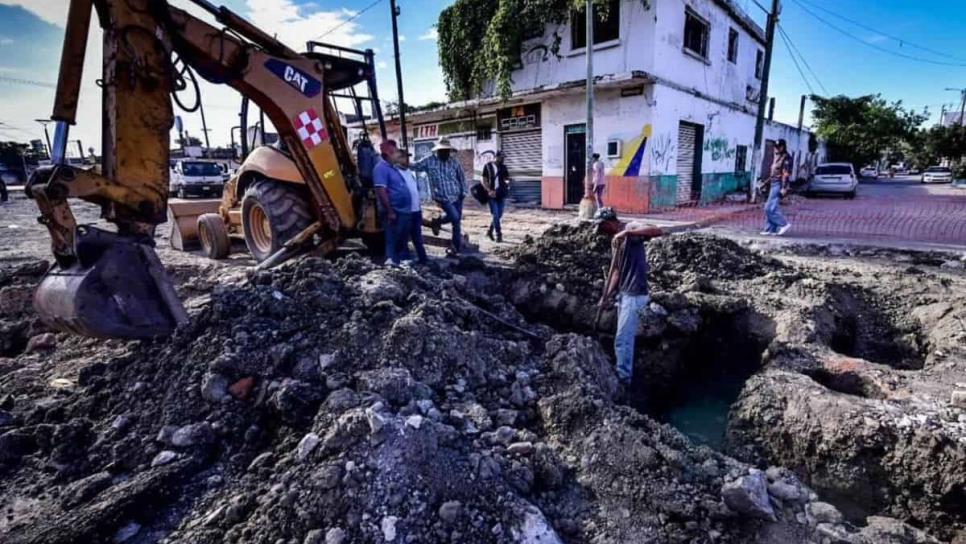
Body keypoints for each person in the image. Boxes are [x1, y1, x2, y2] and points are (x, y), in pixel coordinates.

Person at [599, 222, 666, 386]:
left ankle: (624, 379)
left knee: (623, 339)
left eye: (603, 227)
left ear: (610, 222)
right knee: (623, 337)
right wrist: (606, 296)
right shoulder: (615, 240)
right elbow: (616, 272)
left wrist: (627, 233)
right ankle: (623, 371)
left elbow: (658, 231)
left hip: (635, 294)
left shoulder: (632, 229)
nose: (602, 232)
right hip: (624, 293)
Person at [412, 137, 467, 256]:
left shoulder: (454, 162)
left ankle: (454, 248)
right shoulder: (429, 161)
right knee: (455, 217)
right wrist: (399, 163)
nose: (446, 153)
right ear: (437, 151)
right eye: (443, 151)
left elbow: (461, 177)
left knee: (456, 223)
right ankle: (437, 222)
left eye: (447, 151)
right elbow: (415, 166)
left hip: (457, 195)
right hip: (442, 197)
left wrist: (464, 192)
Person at [372, 140, 412, 266]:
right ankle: (392, 262)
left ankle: (402, 262)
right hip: (394, 211)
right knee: (393, 238)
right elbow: (381, 190)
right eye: (395, 152)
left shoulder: (393, 168)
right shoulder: (381, 168)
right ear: (389, 153)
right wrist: (390, 211)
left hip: (403, 210)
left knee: (402, 238)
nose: (398, 155)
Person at [394, 148, 428, 264]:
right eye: (404, 157)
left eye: (407, 157)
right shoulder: (395, 173)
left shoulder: (408, 171)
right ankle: (405, 262)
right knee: (403, 239)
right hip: (405, 212)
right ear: (397, 159)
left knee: (418, 238)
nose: (407, 159)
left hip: (416, 211)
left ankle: (423, 260)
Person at [761, 139, 792, 236]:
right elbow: (773, 173)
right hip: (773, 183)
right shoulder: (776, 157)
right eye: (775, 147)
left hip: (779, 184)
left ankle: (784, 224)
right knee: (769, 207)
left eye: (779, 147)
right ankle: (770, 229)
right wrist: (765, 183)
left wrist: (784, 188)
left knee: (769, 208)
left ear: (783, 147)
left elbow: (786, 174)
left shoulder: (786, 158)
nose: (777, 148)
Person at [481, 151, 511, 242]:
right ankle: (499, 234)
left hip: (501, 194)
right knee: (495, 214)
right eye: (501, 157)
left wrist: (507, 183)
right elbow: (484, 179)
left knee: (499, 214)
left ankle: (490, 231)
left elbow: (506, 179)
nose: (503, 159)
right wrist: (489, 190)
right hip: (492, 195)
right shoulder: (488, 166)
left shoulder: (504, 167)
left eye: (504, 157)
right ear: (496, 157)